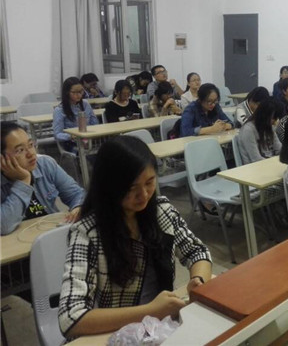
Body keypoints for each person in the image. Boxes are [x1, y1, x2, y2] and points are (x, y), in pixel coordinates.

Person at [58, 136, 211, 339]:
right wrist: (150, 311)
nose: (144, 194)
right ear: (109, 187)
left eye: (150, 182)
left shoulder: (162, 211)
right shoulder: (87, 233)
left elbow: (197, 251)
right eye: (131, 188)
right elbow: (71, 318)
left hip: (161, 327)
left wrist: (198, 280)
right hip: (120, 334)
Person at [1, 122, 84, 235]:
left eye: (31, 145)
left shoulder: (45, 164)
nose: (31, 154)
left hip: (50, 234)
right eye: (20, 150)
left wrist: (78, 207)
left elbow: (77, 194)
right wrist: (24, 181)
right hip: (15, 243)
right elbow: (3, 226)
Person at [53, 77, 99, 152]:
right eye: (74, 92)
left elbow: (95, 124)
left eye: (81, 91)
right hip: (72, 142)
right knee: (86, 150)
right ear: (67, 93)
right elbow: (57, 134)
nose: (79, 95)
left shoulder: (85, 104)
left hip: (89, 138)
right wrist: (71, 136)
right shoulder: (59, 110)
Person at [238, 98, 284, 164]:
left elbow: (279, 149)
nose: (275, 122)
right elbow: (256, 159)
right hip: (254, 167)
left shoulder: (269, 127)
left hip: (269, 163)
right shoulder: (248, 130)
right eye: (273, 118)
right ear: (265, 115)